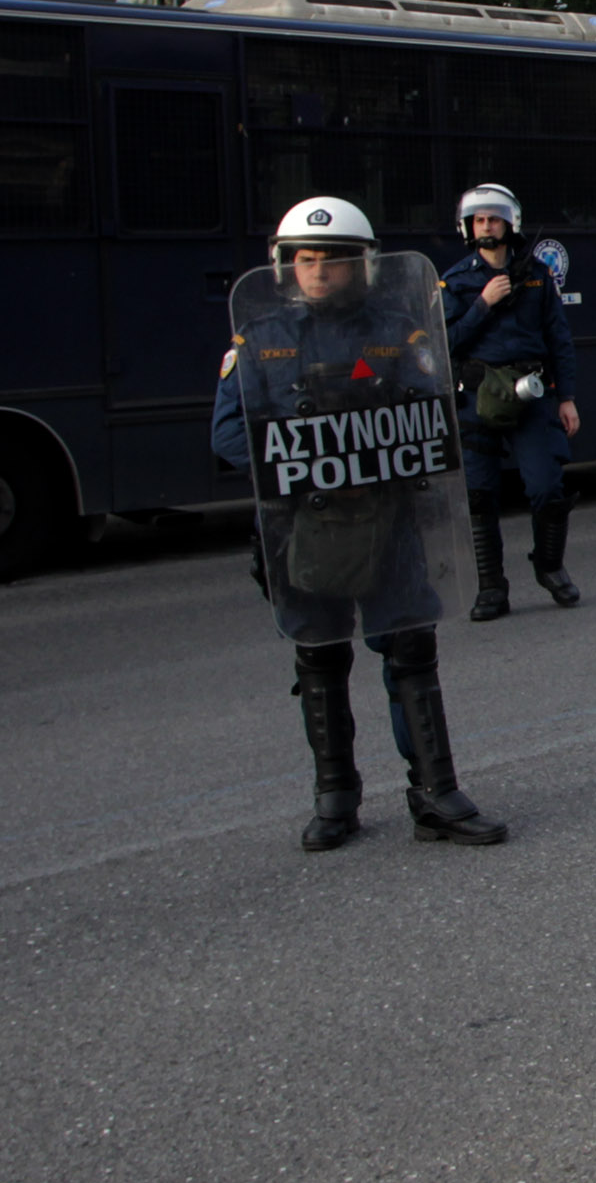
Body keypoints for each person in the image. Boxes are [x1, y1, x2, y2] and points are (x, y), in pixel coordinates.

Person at [213, 197, 505, 850]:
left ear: (364, 265)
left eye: (335, 259)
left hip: (389, 523)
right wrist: (317, 456)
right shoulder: (259, 340)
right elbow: (229, 437)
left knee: (410, 650)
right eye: (306, 259)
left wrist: (375, 446)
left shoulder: (399, 332)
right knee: (318, 657)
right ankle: (335, 797)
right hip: (305, 529)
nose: (319, 270)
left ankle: (436, 795)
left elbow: (436, 419)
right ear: (285, 265)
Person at [442, 182, 583, 621]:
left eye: (494, 219)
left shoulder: (536, 275)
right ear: (469, 227)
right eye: (479, 220)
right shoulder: (455, 281)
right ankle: (491, 588)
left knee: (547, 487)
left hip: (530, 394)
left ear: (510, 224)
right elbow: (444, 342)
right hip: (476, 398)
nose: (486, 227)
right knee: (480, 497)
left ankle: (550, 566)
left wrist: (567, 398)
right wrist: (482, 305)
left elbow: (558, 338)